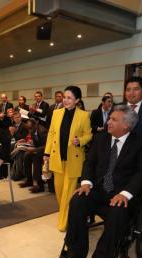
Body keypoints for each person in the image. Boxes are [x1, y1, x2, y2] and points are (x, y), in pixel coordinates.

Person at [57, 105, 142, 258]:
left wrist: (125, 194)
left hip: (123, 195)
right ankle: (75, 255)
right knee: (77, 200)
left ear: (126, 126)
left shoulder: (141, 144)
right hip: (99, 190)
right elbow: (89, 164)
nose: (108, 122)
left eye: (114, 119)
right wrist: (86, 183)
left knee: (117, 212)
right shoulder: (100, 138)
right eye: (109, 118)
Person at [44, 86, 92, 231]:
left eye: (69, 98)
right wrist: (46, 154)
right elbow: (51, 134)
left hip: (74, 159)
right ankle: (66, 212)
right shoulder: (56, 113)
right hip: (57, 158)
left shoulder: (84, 115)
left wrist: (81, 140)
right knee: (59, 190)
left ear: (77, 100)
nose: (65, 100)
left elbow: (89, 134)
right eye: (64, 97)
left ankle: (63, 222)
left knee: (67, 191)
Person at [20, 119, 48, 193]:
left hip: (46, 152)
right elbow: (36, 142)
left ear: (35, 125)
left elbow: (47, 146)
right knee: (26, 156)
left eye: (30, 129)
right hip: (38, 150)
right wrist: (30, 143)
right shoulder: (33, 130)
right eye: (28, 129)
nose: (29, 131)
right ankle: (29, 180)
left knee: (36, 157)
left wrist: (34, 150)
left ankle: (39, 184)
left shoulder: (42, 131)